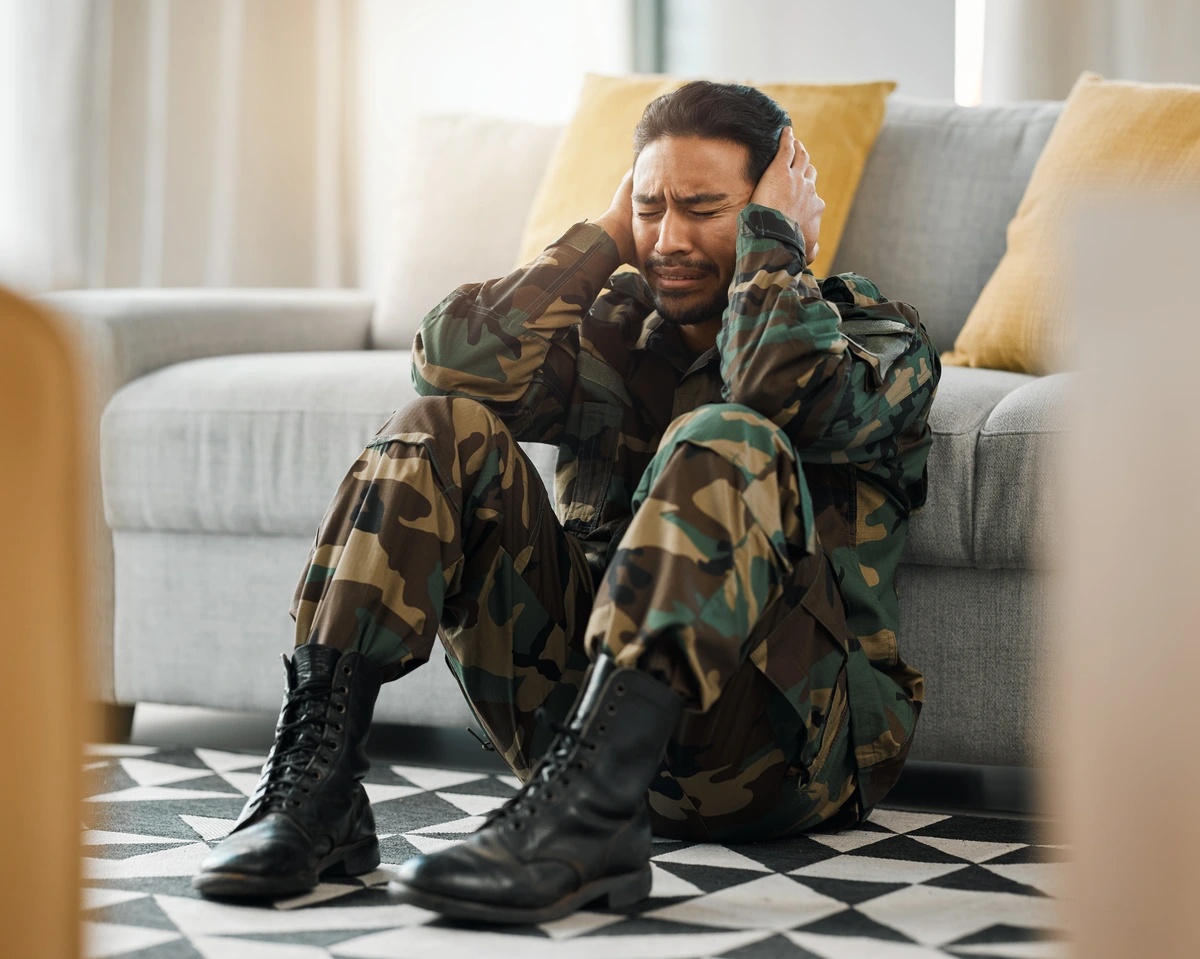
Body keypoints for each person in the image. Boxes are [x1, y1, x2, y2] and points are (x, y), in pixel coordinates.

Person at [193, 80, 939, 924]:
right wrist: (603, 239)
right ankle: (316, 797)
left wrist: (773, 244)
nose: (671, 239)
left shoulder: (874, 338)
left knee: (726, 435)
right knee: (437, 427)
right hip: (565, 746)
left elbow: (772, 386)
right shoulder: (615, 332)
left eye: (704, 208)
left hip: (783, 751)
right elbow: (446, 366)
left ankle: (590, 827)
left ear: (779, 202)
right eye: (652, 207)